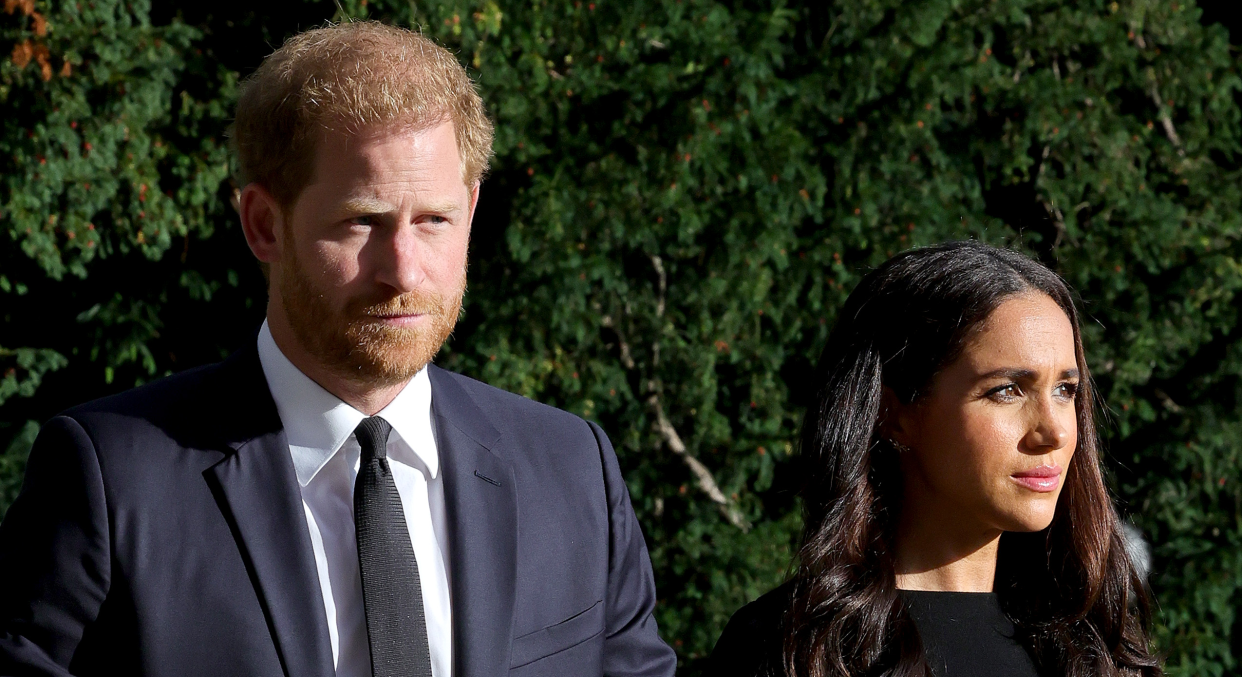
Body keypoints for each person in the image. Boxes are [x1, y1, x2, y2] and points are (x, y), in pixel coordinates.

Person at [0, 22, 677, 677]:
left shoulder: (571, 470)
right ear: (264, 225)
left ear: (470, 210)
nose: (404, 271)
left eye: (434, 221)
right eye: (362, 221)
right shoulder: (113, 479)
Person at [706, 241, 1162, 677]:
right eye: (1006, 391)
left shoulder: (1099, 647)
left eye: (1066, 390)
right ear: (895, 414)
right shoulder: (793, 649)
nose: (1056, 431)